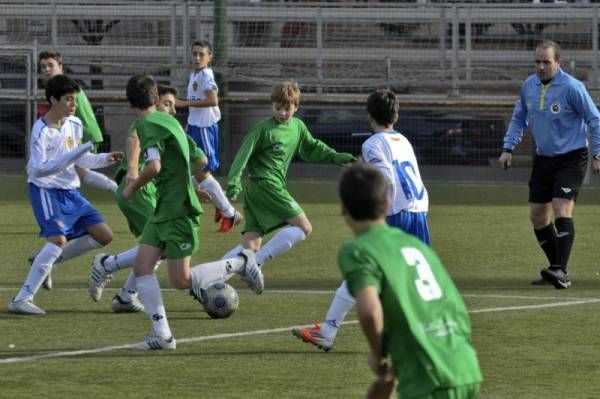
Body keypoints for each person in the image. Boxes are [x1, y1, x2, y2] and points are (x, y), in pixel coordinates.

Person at [117, 74, 263, 350]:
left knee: (181, 281)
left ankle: (241, 261)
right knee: (142, 266)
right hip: (164, 207)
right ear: (157, 99)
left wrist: (132, 187)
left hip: (177, 210)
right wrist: (188, 186)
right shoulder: (170, 121)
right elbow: (198, 161)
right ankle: (162, 335)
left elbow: (155, 166)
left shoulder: (145, 124)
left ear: (129, 103)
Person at [293, 89, 430, 352]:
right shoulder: (403, 140)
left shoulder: (372, 144)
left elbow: (386, 178)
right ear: (396, 115)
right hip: (419, 212)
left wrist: (370, 199)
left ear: (369, 116)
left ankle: (329, 330)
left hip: (396, 215)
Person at [335, 162, 482, 399]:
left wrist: (378, 354)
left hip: (427, 380)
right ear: (387, 202)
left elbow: (370, 312)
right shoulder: (416, 246)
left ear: (343, 207)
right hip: (465, 366)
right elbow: (454, 309)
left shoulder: (357, 250)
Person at [87, 83, 211, 313]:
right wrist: (133, 175)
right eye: (168, 104)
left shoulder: (169, 126)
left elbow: (195, 162)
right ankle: (108, 266)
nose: (173, 110)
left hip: (153, 190)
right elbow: (135, 143)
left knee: (155, 249)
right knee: (159, 247)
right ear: (155, 102)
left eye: (174, 106)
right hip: (140, 190)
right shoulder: (144, 124)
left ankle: (125, 294)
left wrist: (187, 188)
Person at [7, 74, 123, 315]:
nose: (74, 105)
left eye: (76, 100)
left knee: (104, 235)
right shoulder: (41, 131)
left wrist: (105, 158)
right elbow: (37, 168)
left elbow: (81, 159)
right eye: (69, 99)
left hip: (70, 191)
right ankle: (22, 298)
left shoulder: (75, 124)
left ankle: (46, 259)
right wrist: (68, 158)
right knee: (58, 240)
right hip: (46, 190)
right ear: (53, 99)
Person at [219, 81, 355, 279]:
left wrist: (337, 157)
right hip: (267, 185)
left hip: (259, 191)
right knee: (303, 227)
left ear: (296, 107)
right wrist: (233, 183)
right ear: (271, 106)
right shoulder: (263, 129)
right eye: (278, 108)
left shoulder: (298, 127)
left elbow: (313, 148)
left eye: (287, 109)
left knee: (251, 246)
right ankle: (254, 264)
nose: (282, 113)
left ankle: (211, 279)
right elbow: (242, 156)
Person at [499, 40, 600, 289]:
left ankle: (560, 270)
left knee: (561, 208)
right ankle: (556, 267)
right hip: (543, 158)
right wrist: (507, 148)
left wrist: (598, 153)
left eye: (546, 62)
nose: (541, 67)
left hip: (572, 157)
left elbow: (595, 119)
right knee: (537, 216)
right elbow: (519, 118)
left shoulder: (572, 88)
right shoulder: (528, 87)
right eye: (537, 62)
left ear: (558, 62)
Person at [34, 50, 118, 290]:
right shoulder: (54, 93)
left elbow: (85, 117)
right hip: (64, 157)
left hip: (81, 139)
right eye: (43, 66)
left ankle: (116, 188)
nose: (47, 69)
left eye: (51, 65)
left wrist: (92, 139)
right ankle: (46, 261)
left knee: (80, 175)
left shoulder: (69, 91)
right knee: (78, 178)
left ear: (61, 65)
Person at [176, 40, 241, 233]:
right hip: (196, 126)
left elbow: (213, 100)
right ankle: (221, 207)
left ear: (209, 56)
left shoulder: (206, 74)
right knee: (195, 172)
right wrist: (189, 122)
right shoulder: (195, 74)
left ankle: (229, 212)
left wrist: (184, 104)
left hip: (205, 128)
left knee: (201, 171)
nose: (196, 57)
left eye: (201, 54)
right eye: (194, 53)